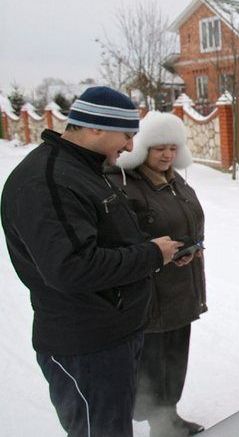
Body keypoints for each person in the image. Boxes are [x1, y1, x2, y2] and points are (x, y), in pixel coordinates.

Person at [0, 87, 182, 437]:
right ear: (95, 127)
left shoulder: (83, 170)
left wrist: (156, 251)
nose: (131, 147)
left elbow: (105, 239)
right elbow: (72, 267)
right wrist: (150, 255)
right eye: (127, 135)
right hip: (85, 346)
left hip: (113, 336)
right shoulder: (47, 180)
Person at [108, 111, 206, 436]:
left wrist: (193, 246)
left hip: (183, 288)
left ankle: (170, 416)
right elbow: (125, 239)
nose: (167, 155)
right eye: (158, 148)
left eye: (172, 148)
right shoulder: (127, 186)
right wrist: (159, 252)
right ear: (143, 149)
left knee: (175, 358)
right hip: (152, 292)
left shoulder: (176, 182)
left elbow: (188, 222)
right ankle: (158, 424)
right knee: (153, 364)